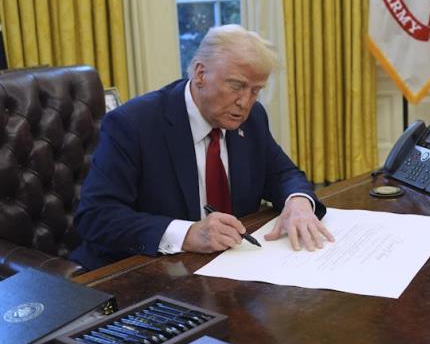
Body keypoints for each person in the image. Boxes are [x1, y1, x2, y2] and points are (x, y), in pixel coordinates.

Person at [70, 25, 334, 270]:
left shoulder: (252, 118)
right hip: (143, 272)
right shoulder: (134, 124)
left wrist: (298, 202)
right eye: (237, 86)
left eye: (256, 90)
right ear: (200, 74)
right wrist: (186, 234)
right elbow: (96, 217)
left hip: (231, 268)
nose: (246, 102)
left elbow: (282, 174)